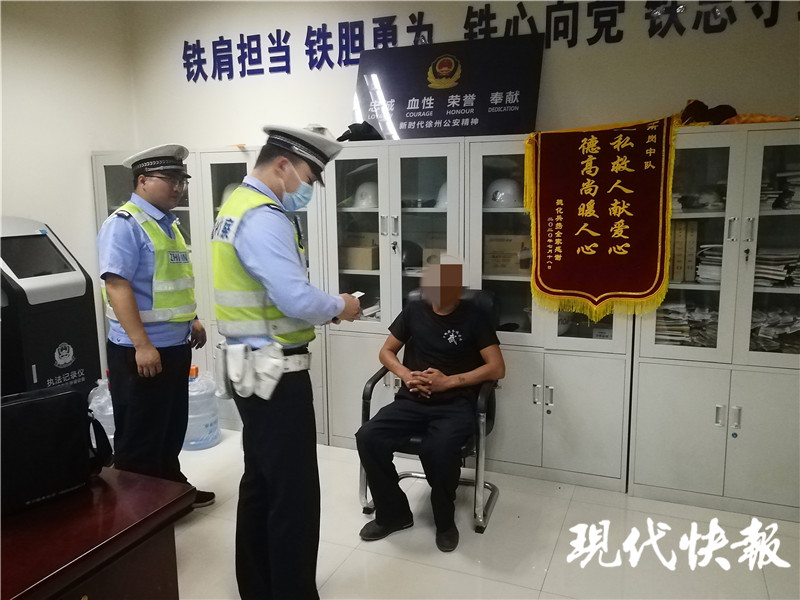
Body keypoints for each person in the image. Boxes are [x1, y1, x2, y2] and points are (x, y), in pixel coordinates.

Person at [211, 125, 361, 600]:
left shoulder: (235, 206)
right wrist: (341, 305)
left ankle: (259, 587)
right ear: (282, 165)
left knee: (261, 481)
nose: (309, 189)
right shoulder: (264, 215)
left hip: (250, 368)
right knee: (292, 492)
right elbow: (295, 298)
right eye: (310, 177)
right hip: (276, 373)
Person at [355, 256, 505, 552]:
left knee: (438, 448)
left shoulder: (474, 316)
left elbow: (497, 368)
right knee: (368, 437)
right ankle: (394, 513)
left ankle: (444, 520)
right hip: (411, 400)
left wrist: (448, 382)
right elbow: (386, 352)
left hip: (455, 403)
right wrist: (405, 374)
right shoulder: (414, 309)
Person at [97, 144, 214, 508]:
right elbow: (117, 286)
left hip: (175, 345)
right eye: (170, 179)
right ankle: (140, 515)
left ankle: (170, 491)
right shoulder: (124, 224)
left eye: (182, 180)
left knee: (170, 426)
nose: (178, 187)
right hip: (142, 351)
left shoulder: (168, 224)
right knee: (141, 436)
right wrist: (142, 345)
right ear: (143, 180)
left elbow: (169, 282)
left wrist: (192, 319)